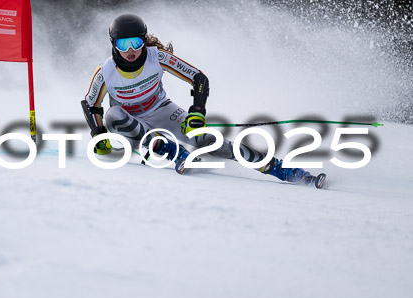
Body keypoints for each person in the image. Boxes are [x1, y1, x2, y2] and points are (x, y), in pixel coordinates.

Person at [81, 13, 323, 186]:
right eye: (124, 44)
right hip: (129, 121)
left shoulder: (158, 57)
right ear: (114, 44)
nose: (131, 50)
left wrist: (197, 112)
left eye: (137, 42)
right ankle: (172, 151)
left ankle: (281, 169)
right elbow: (91, 104)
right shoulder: (106, 71)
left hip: (161, 110)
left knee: (207, 140)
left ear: (144, 40)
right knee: (114, 115)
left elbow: (199, 79)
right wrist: (99, 132)